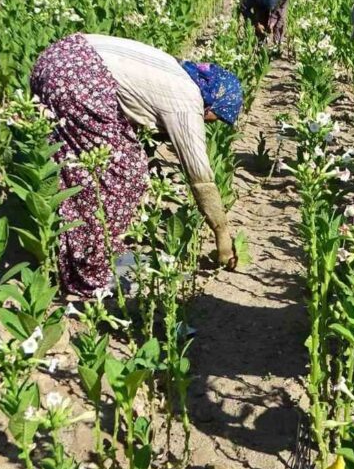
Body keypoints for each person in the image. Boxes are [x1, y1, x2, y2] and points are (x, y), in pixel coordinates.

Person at [29, 33, 242, 296]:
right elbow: (200, 177)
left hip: (55, 59)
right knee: (120, 172)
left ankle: (81, 251)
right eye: (216, 117)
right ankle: (94, 270)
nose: (211, 122)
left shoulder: (176, 71)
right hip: (78, 77)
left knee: (77, 167)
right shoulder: (187, 100)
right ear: (213, 103)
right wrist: (221, 231)